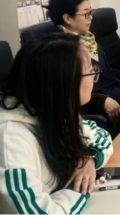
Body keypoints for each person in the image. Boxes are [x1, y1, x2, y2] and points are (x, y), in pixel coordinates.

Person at [0, 33, 113, 213]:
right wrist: (79, 188)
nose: (94, 78)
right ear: (64, 82)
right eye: (90, 71)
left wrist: (90, 159)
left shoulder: (54, 110)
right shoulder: (10, 141)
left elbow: (100, 135)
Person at [46, 0, 120, 127]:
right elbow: (64, 92)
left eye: (91, 12)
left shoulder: (86, 37)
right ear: (67, 18)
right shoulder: (60, 49)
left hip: (119, 95)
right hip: (101, 107)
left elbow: (104, 71)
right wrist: (100, 100)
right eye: (86, 14)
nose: (91, 17)